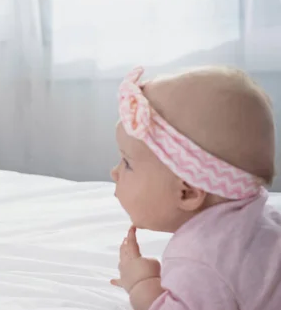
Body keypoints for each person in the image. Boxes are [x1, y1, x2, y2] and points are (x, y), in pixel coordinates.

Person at [109, 66, 281, 309]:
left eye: (127, 163)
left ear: (187, 192)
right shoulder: (261, 221)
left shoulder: (201, 261)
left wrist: (141, 284)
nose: (114, 172)